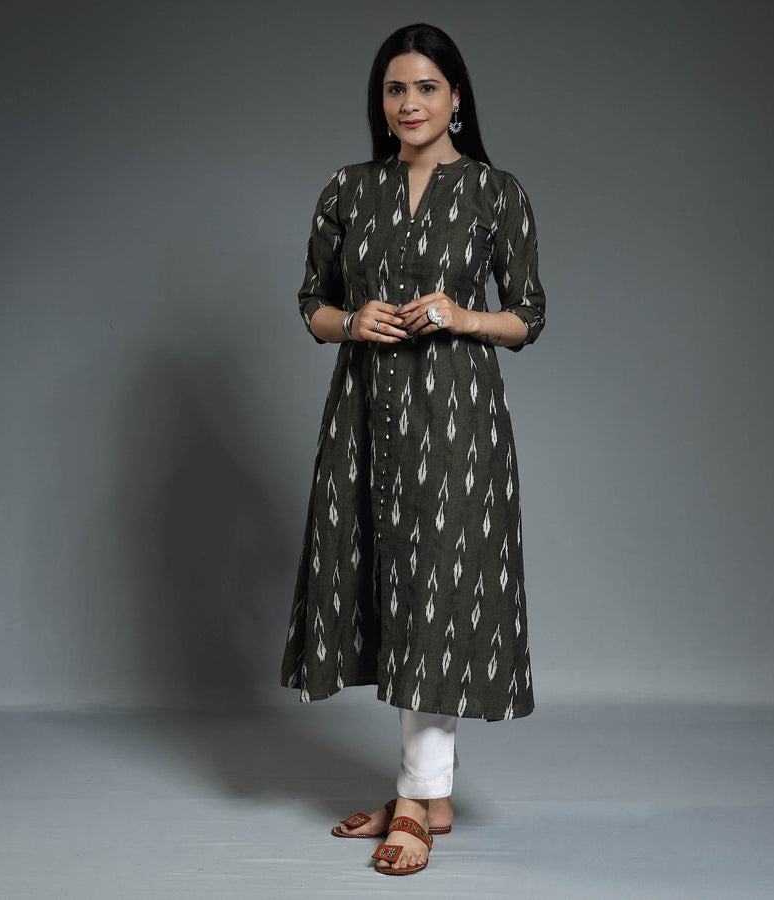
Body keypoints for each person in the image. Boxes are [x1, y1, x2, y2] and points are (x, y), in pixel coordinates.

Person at [280, 22, 546, 875]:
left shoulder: (496, 193)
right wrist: (351, 320)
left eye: (427, 87)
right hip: (364, 415)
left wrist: (463, 316)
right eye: (395, 88)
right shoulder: (349, 189)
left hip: (455, 417)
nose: (410, 103)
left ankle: (413, 802)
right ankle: (430, 795)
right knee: (385, 586)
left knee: (438, 587)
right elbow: (311, 303)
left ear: (456, 98)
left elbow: (529, 314)